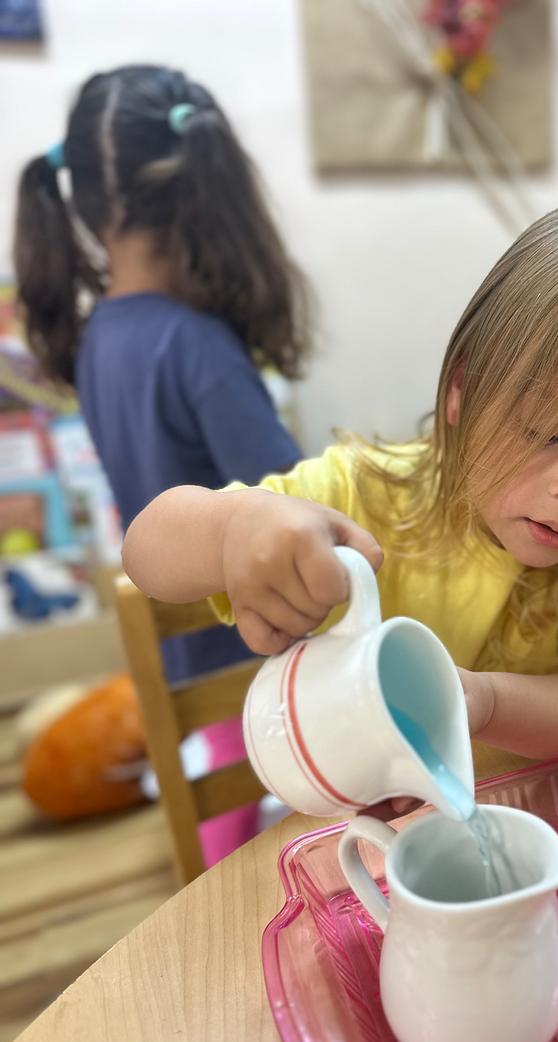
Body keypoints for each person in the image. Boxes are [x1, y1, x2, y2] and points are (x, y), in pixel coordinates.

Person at [122, 188, 558, 760]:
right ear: (462, 389)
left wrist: (485, 704)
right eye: (541, 429)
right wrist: (234, 529)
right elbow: (145, 549)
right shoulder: (365, 494)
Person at [14, 64, 311, 683]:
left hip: (184, 674)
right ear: (209, 185)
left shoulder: (101, 336)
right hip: (255, 679)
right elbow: (302, 515)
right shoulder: (193, 342)